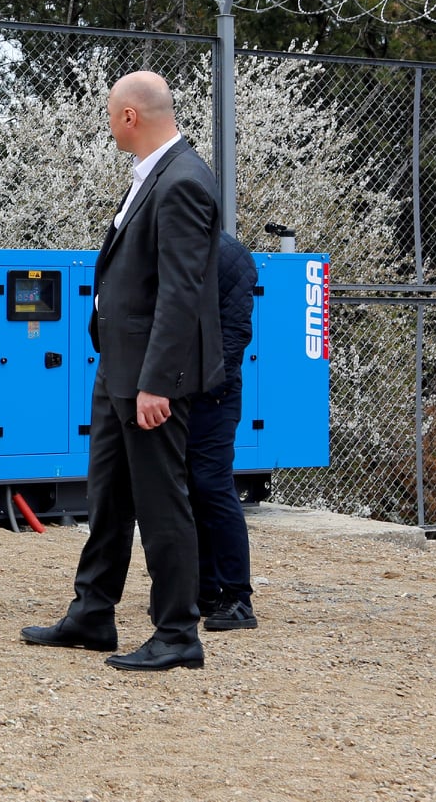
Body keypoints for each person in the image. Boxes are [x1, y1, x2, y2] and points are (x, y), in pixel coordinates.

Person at [22, 71, 223, 672]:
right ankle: (93, 613)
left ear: (129, 117)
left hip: (149, 379)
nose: (109, 126)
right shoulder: (152, 176)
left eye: (111, 115)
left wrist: (156, 382)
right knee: (107, 496)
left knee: (161, 503)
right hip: (118, 368)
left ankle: (178, 633)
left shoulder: (182, 181)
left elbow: (181, 294)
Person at [191, 231, 259, 631]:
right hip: (188, 390)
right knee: (192, 487)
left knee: (211, 486)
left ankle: (237, 597)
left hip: (213, 394)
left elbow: (234, 333)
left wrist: (208, 385)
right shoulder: (180, 245)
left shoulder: (230, 255)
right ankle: (204, 589)